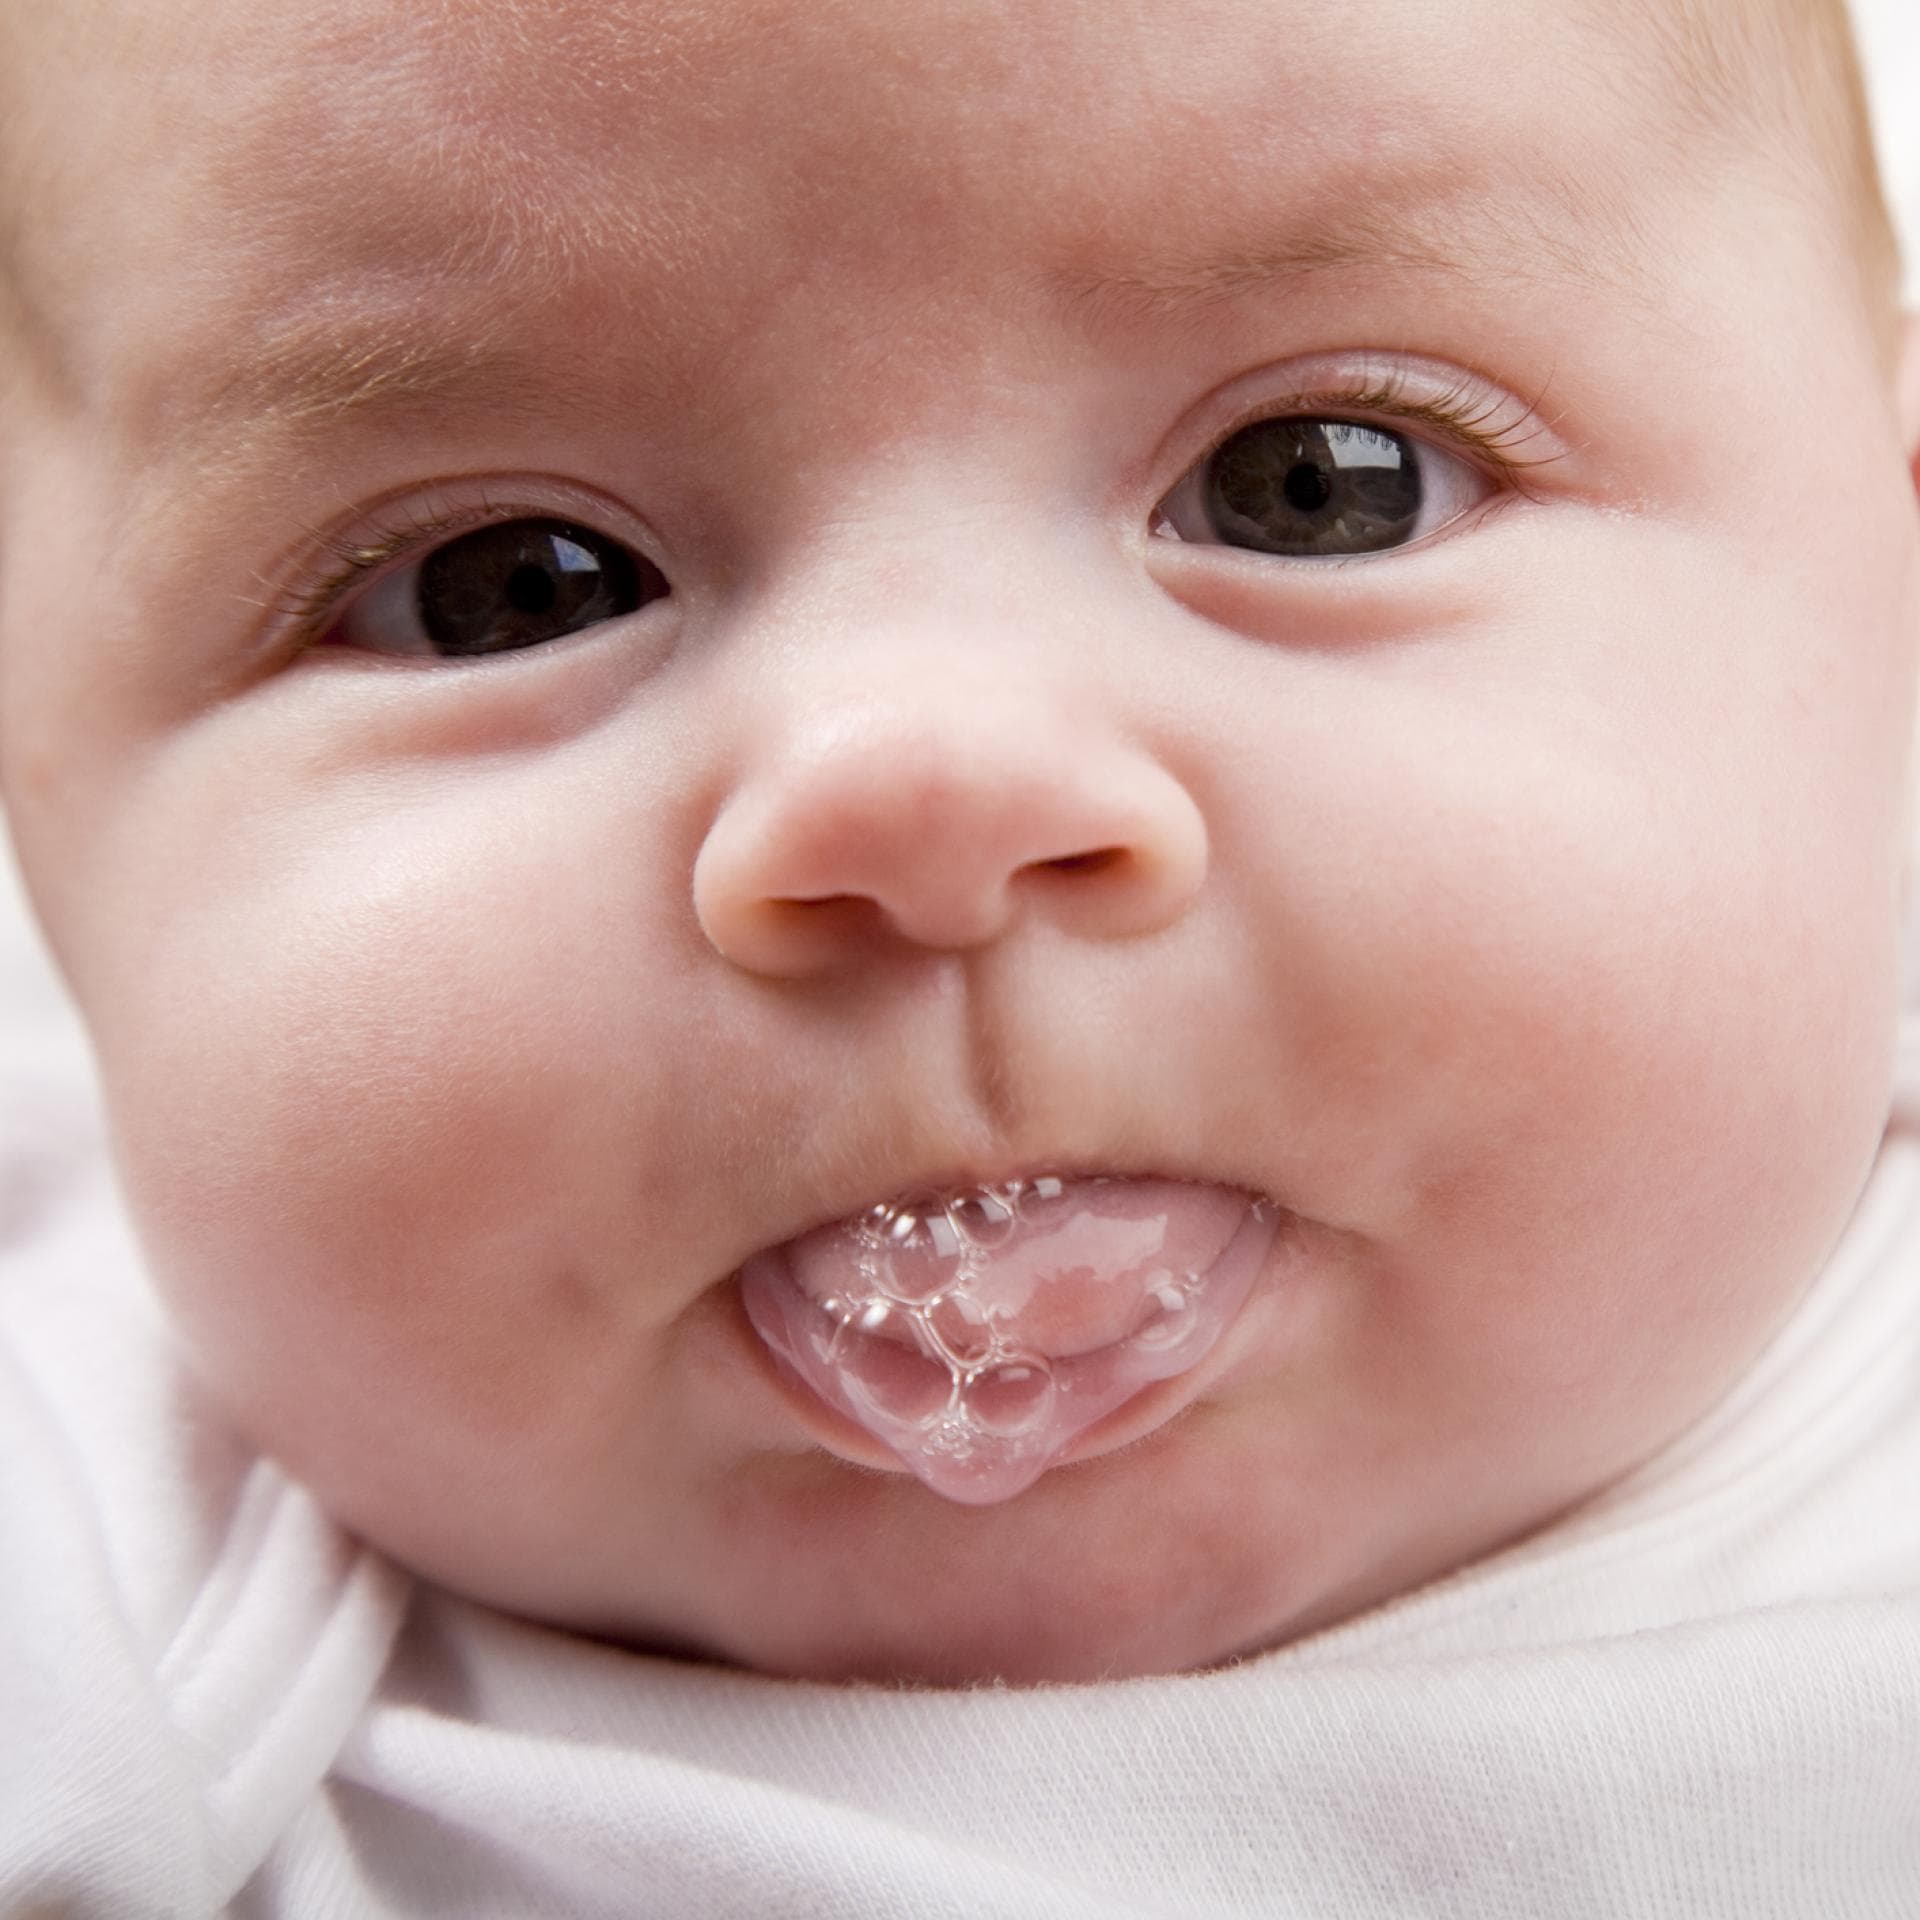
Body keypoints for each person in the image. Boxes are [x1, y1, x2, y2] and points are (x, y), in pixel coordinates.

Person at [2, 0, 1917, 1910]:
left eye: (1317, 481)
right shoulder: (96, 1594)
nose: (918, 802)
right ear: (46, 841)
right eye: (507, 590)